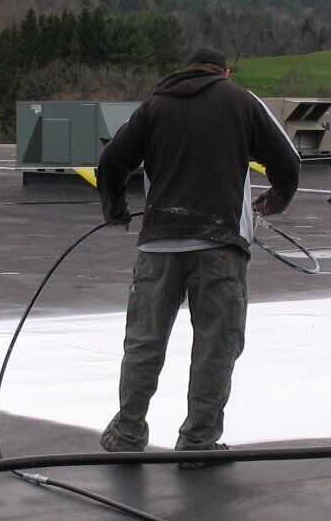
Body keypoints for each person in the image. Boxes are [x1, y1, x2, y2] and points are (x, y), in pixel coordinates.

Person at [95, 48, 301, 465]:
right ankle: (197, 442)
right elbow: (289, 161)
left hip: (158, 247)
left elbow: (110, 161)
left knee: (144, 342)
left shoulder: (154, 105)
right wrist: (275, 201)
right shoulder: (241, 100)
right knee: (215, 346)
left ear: (185, 70)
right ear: (223, 71)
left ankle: (128, 432)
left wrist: (115, 210)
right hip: (220, 250)